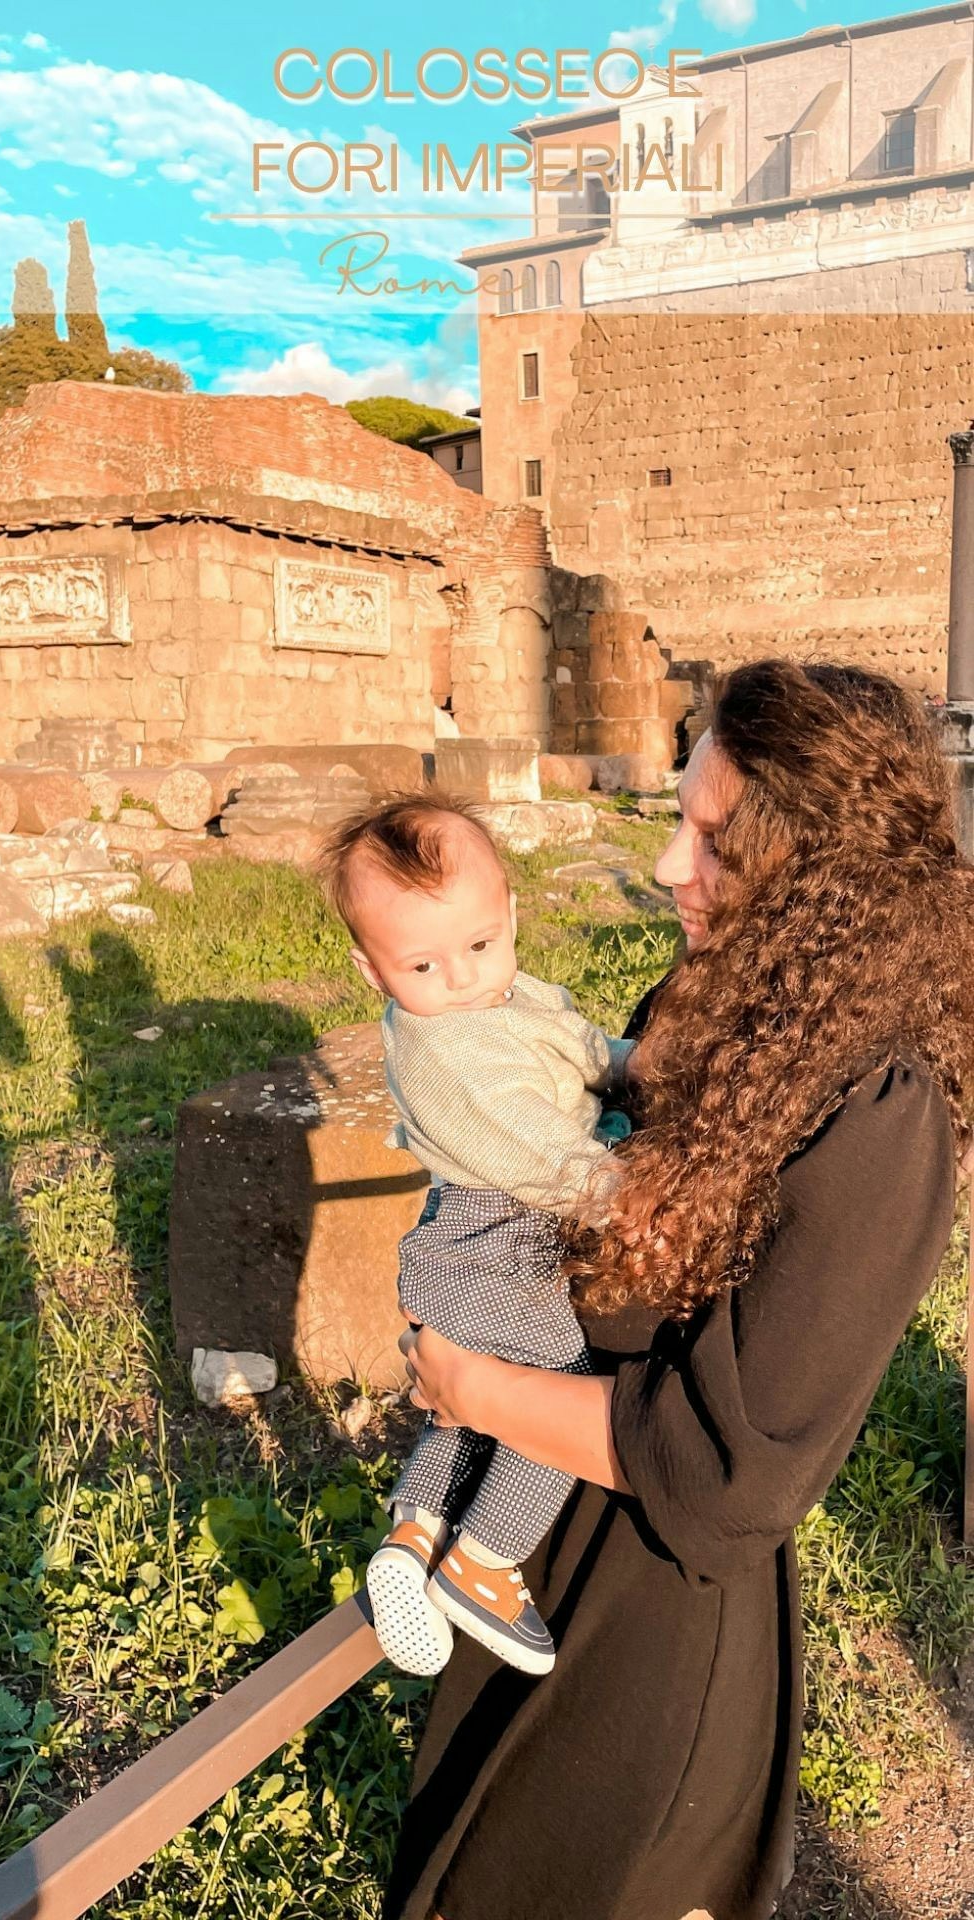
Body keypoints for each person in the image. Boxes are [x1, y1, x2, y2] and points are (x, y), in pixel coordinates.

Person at [383, 660, 974, 1920]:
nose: (665, 868)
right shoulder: (725, 1011)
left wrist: (469, 1383)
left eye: (714, 841)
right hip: (532, 1548)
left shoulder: (881, 1119)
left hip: (649, 1626)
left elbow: (729, 1476)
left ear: (822, 878)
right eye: (676, 822)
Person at [316, 794, 634, 1678]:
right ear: (373, 972)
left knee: (475, 1397)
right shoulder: (450, 1054)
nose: (460, 977)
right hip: (499, 1239)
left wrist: (629, 1062)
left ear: (511, 917)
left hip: (477, 1244)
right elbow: (553, 1163)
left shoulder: (504, 997)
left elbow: (571, 1045)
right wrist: (644, 1202)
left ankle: (416, 1532)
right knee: (550, 1396)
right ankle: (486, 1561)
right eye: (423, 964)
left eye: (481, 945)